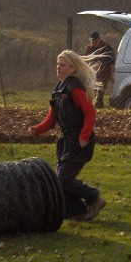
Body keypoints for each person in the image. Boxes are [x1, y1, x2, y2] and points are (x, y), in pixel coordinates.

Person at [28, 50, 107, 221]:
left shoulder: (74, 88)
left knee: (62, 179)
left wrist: (84, 136)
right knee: (61, 182)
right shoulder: (58, 90)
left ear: (72, 68)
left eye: (62, 65)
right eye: (57, 64)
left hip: (79, 142)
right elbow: (51, 119)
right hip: (66, 143)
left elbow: (90, 112)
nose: (58, 67)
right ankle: (77, 212)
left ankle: (94, 196)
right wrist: (37, 129)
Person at [84, 31, 115, 108]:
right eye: (92, 41)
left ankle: (98, 106)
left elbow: (111, 60)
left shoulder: (107, 48)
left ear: (99, 39)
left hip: (104, 72)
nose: (93, 43)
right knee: (92, 92)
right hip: (92, 72)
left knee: (100, 92)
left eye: (95, 41)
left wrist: (100, 62)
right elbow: (86, 59)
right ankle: (95, 106)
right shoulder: (89, 48)